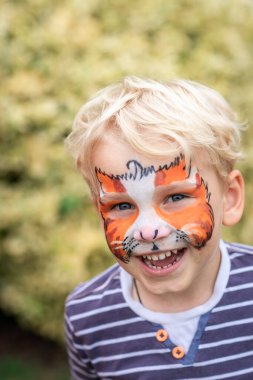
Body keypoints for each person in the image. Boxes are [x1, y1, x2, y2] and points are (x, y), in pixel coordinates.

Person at [64, 76, 253, 379]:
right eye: (121, 205)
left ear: (230, 198)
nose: (149, 231)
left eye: (176, 197)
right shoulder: (87, 316)